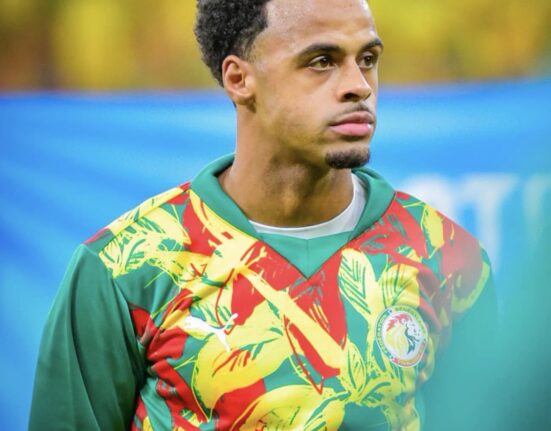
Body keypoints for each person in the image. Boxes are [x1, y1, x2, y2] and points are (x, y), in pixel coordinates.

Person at [29, 0, 497, 430]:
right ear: (239, 79)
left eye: (368, 59)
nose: (359, 86)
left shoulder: (448, 258)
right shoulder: (124, 268)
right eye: (322, 61)